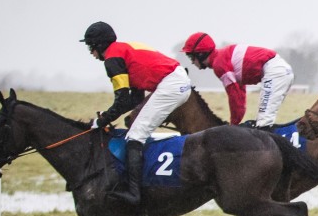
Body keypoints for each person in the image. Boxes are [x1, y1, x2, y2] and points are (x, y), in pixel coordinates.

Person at [81, 21, 191, 206]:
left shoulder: (112, 59)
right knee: (136, 131)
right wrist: (106, 117)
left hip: (171, 84)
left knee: (135, 135)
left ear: (99, 45)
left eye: (91, 47)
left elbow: (122, 99)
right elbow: (134, 99)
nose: (91, 53)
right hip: (175, 81)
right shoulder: (122, 50)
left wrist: (103, 120)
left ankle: (134, 193)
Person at [181, 32, 294, 128]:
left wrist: (233, 125)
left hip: (274, 72)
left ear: (200, 54)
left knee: (263, 123)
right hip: (280, 70)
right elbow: (240, 95)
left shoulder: (219, 65)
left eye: (191, 57)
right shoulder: (222, 57)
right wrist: (235, 122)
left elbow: (234, 96)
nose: (192, 62)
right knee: (263, 121)